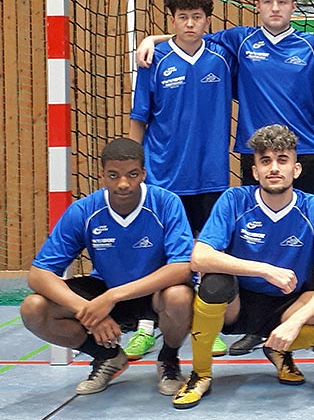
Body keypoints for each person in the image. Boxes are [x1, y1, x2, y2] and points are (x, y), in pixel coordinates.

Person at [137, 0, 314, 355]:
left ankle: (307, 315)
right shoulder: (239, 41)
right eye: (268, 1)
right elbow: (188, 38)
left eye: (282, 2)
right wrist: (150, 40)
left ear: (293, 6)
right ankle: (257, 325)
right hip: (255, 154)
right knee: (256, 239)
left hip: (305, 153)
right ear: (257, 6)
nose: (275, 8)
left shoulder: (312, 45)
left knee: (311, 238)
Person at [172, 124, 314, 409]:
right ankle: (200, 374)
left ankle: (278, 349)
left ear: (296, 169)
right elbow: (199, 257)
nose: (273, 168)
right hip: (236, 305)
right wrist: (264, 269)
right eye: (265, 161)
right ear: (255, 171)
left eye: (282, 160)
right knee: (215, 282)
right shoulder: (235, 200)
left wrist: (295, 322)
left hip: (285, 306)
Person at [20, 138, 194, 397]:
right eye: (114, 175)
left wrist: (112, 297)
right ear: (102, 175)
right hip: (105, 287)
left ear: (143, 174)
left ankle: (168, 359)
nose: (123, 184)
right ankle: (109, 356)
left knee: (180, 296)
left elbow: (182, 267)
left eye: (132, 175)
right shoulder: (84, 210)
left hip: (153, 293)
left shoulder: (166, 203)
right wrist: (89, 311)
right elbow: (39, 273)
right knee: (33, 309)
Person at [128, 0, 234, 360]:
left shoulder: (222, 58)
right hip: (162, 176)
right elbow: (139, 118)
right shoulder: (153, 60)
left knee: (208, 255)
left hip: (211, 176)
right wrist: (132, 167)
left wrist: (150, 36)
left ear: (208, 20)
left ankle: (208, 328)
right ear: (172, 20)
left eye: (197, 17)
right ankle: (145, 325)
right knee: (157, 258)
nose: (190, 24)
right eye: (182, 17)